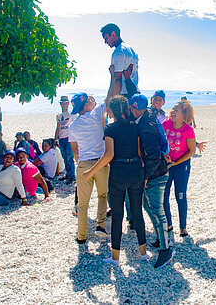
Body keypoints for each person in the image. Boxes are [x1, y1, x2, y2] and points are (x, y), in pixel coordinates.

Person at [82, 95, 151, 266]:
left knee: (117, 215)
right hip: (136, 170)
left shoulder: (111, 129)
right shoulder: (134, 126)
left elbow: (109, 155)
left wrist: (90, 171)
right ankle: (143, 253)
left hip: (119, 173)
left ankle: (115, 257)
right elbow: (139, 152)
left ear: (112, 110)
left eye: (108, 109)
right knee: (137, 213)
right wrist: (144, 175)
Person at [129, 94, 175, 269]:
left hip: (157, 173)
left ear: (136, 108)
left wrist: (146, 176)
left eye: (132, 108)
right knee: (149, 207)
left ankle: (166, 249)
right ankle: (160, 238)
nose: (131, 111)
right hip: (156, 171)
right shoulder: (148, 118)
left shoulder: (145, 126)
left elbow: (154, 156)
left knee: (157, 209)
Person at [69, 93, 110, 244]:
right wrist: (113, 75)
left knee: (83, 203)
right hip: (100, 163)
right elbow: (110, 94)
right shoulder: (97, 114)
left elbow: (75, 151)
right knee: (102, 195)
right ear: (86, 105)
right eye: (89, 101)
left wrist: (80, 163)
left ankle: (81, 236)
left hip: (84, 164)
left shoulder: (73, 126)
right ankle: (100, 225)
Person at [162, 100, 197, 237]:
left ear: (184, 114)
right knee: (164, 195)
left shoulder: (188, 130)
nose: (173, 111)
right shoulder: (166, 124)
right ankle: (169, 224)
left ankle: (183, 227)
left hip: (181, 166)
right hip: (167, 164)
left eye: (177, 110)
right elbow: (160, 142)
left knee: (180, 196)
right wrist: (165, 155)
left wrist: (177, 162)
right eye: (173, 109)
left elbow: (191, 151)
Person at [101, 23, 139, 99]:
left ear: (113, 34)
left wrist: (114, 101)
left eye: (106, 38)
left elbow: (117, 79)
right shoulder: (130, 49)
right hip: (134, 93)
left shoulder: (119, 52)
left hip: (124, 95)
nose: (105, 42)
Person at [54, 96, 76, 183]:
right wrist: (55, 139)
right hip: (61, 139)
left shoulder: (71, 114)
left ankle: (72, 176)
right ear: (60, 104)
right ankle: (68, 174)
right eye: (62, 103)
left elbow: (75, 124)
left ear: (68, 103)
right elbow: (58, 128)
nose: (64, 105)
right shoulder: (59, 116)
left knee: (70, 158)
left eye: (66, 103)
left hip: (69, 138)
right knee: (65, 157)